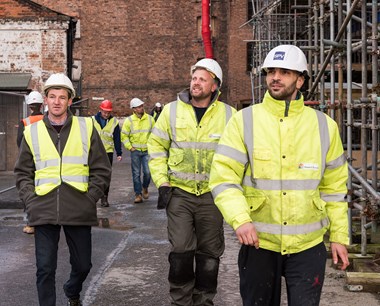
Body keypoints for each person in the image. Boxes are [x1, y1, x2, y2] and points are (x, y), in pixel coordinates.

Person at [209, 45, 350, 306]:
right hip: (259, 244)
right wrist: (240, 220)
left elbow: (334, 188)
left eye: (285, 72)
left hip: (308, 246)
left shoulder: (324, 126)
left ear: (301, 80)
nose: (275, 77)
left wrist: (340, 237)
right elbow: (223, 178)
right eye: (271, 71)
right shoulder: (243, 121)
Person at [14, 73, 112, 306]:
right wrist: (31, 199)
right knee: (45, 269)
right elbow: (22, 172)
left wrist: (90, 198)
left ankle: (72, 289)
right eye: (52, 96)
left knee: (83, 265)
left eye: (62, 97)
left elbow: (101, 168)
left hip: (78, 207)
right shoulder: (33, 131)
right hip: (43, 208)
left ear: (70, 101)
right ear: (45, 100)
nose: (57, 101)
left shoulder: (86, 127)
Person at [147, 58, 236, 305]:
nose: (196, 83)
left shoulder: (230, 115)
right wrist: (162, 182)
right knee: (181, 251)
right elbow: (156, 147)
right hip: (180, 194)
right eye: (194, 78)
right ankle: (180, 301)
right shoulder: (171, 111)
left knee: (209, 254)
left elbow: (238, 154)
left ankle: (204, 301)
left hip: (212, 195)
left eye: (202, 80)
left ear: (215, 86)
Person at [17, 91, 45, 235]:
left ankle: (30, 223)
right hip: (45, 160)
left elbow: (19, 143)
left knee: (29, 191)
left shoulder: (25, 122)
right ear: (41, 105)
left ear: (29, 106)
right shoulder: (47, 119)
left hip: (29, 162)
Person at [121, 97, 154, 203]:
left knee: (147, 173)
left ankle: (145, 187)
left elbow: (155, 134)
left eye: (141, 106)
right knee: (136, 174)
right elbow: (124, 136)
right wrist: (130, 147)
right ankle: (138, 194)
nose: (141, 108)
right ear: (134, 109)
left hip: (147, 151)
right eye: (139, 107)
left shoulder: (150, 119)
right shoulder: (129, 121)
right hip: (135, 151)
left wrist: (153, 146)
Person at [92, 99, 122, 207]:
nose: (106, 114)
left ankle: (104, 197)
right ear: (100, 110)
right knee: (93, 174)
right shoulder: (92, 120)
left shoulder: (114, 122)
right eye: (105, 112)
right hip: (94, 152)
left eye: (108, 112)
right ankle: (93, 195)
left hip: (108, 152)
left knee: (106, 175)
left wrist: (119, 153)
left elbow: (117, 139)